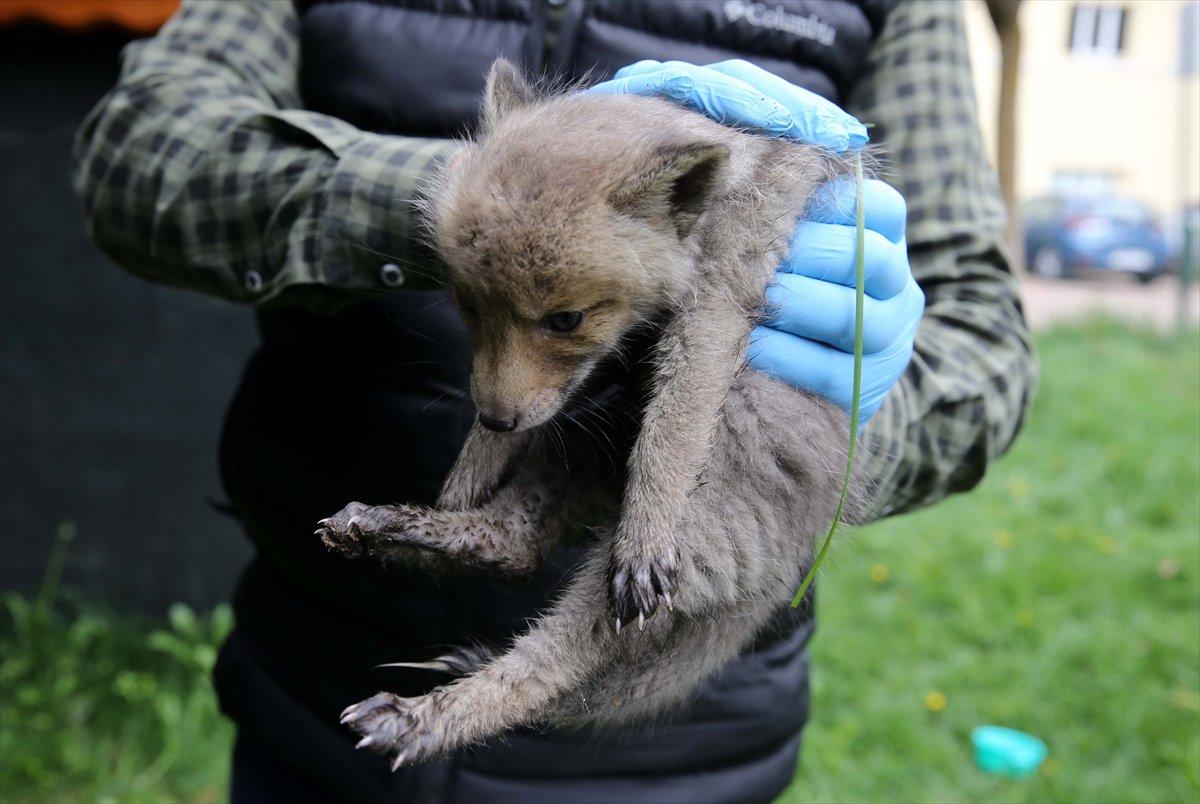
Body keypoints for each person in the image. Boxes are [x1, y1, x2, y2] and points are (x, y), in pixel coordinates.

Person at [74, 1, 1036, 802]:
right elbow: (139, 154)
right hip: (314, 680)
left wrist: (828, 416)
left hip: (684, 758)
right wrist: (480, 207)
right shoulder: (503, 227)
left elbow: (983, 348)